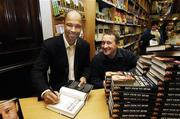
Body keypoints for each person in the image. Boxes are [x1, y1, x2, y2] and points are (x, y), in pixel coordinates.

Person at [31, 10, 90, 104]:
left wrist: (84, 76)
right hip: (57, 94)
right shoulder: (49, 45)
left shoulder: (85, 45)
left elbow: (87, 66)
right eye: (69, 25)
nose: (73, 30)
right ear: (63, 24)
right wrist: (45, 91)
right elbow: (37, 71)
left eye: (78, 26)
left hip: (78, 92)